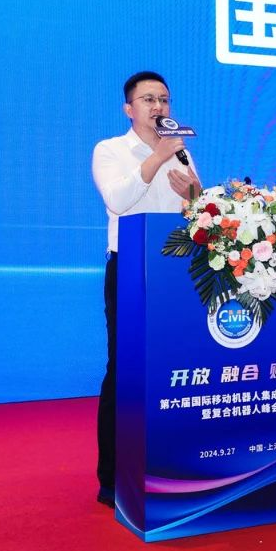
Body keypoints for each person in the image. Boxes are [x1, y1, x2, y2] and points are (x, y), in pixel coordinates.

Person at [90, 71, 200, 507]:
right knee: (125, 370)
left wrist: (194, 195)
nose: (159, 107)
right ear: (129, 109)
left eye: (165, 100)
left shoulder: (181, 151)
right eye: (149, 99)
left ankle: (168, 463)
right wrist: (157, 157)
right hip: (131, 270)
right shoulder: (110, 150)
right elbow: (118, 200)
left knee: (174, 368)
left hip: (175, 270)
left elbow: (196, 211)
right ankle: (113, 476)